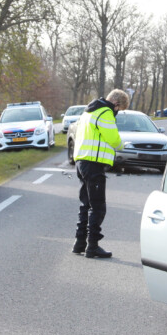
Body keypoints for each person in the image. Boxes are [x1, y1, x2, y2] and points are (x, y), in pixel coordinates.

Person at [72, 88, 130, 258]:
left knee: (85, 205)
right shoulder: (105, 112)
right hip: (94, 164)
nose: (117, 112)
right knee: (98, 207)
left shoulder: (88, 112)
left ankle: (79, 243)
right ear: (116, 104)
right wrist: (123, 145)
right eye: (119, 109)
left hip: (82, 161)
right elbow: (113, 139)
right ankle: (92, 246)